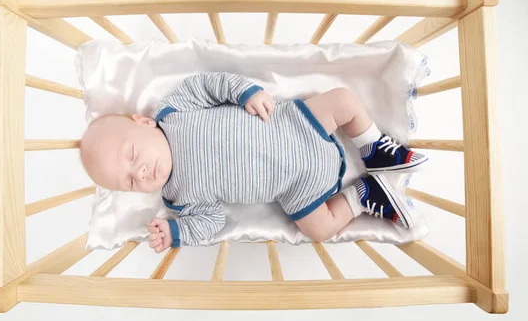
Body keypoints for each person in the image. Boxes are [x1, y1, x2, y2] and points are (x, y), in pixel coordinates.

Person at [80, 72, 427, 252]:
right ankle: (362, 196)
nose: (139, 173)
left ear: (143, 122)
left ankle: (373, 147)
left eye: (131, 156)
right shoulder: (177, 198)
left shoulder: (174, 111)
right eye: (128, 182)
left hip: (294, 124)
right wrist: (176, 231)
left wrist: (246, 92)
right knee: (320, 229)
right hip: (296, 190)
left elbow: (209, 85)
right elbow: (212, 220)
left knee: (342, 100)